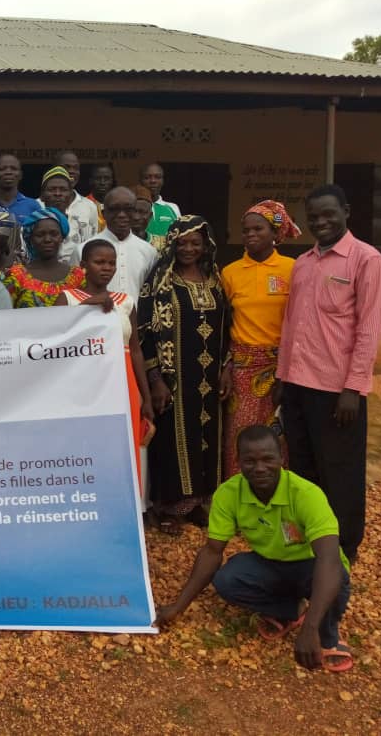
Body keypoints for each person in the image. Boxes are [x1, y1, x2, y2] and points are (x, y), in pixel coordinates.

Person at [155, 425, 354, 674]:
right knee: (228, 579)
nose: (259, 468)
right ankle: (292, 611)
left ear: (283, 458)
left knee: (336, 577)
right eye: (249, 461)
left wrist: (310, 629)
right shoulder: (228, 493)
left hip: (311, 566)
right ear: (238, 461)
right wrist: (178, 606)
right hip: (269, 563)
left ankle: (328, 635)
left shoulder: (306, 494)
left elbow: (329, 560)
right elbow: (212, 552)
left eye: (268, 459)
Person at [276, 184, 381, 563]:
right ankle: (311, 537)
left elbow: (369, 329)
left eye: (328, 214)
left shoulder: (366, 259)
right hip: (296, 384)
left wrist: (353, 388)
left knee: (340, 469)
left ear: (346, 211)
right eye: (314, 217)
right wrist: (282, 378)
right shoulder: (304, 263)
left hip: (336, 390)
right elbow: (292, 324)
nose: (321, 222)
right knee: (303, 466)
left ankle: (344, 547)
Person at [139, 215, 228, 533]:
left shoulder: (214, 279)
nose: (189, 248)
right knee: (172, 441)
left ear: (206, 246)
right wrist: (155, 379)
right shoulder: (160, 282)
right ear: (172, 245)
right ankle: (169, 507)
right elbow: (144, 332)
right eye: (182, 243)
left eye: (196, 242)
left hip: (209, 378)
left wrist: (227, 367)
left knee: (205, 439)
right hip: (174, 380)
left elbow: (227, 329)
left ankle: (198, 504)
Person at [55, 238, 154, 483]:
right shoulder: (67, 299)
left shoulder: (126, 302)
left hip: (123, 384)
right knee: (84, 443)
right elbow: (56, 340)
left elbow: (136, 351)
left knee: (123, 444)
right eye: (100, 262)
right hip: (82, 385)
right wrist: (88, 305)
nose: (106, 267)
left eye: (111, 263)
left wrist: (146, 397)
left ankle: (125, 503)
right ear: (84, 265)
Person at [219, 199, 301, 480]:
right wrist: (227, 366)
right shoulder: (230, 273)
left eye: (258, 229)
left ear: (275, 233)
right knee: (238, 437)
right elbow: (224, 324)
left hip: (281, 367)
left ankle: (277, 504)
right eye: (246, 230)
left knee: (277, 438)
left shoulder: (292, 270)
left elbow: (299, 322)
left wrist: (285, 374)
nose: (251, 235)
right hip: (242, 369)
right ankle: (238, 503)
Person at [77, 186, 158, 307]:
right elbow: (75, 292)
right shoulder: (82, 249)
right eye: (114, 209)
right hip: (94, 321)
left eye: (128, 209)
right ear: (104, 213)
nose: (121, 215)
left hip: (134, 323)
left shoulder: (149, 251)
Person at [3, 208, 85, 308]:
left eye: (54, 234)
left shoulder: (78, 276)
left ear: (62, 237)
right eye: (40, 235)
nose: (47, 239)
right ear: (30, 239)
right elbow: (4, 314)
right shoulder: (16, 276)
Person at [55, 151, 98, 250]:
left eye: (76, 168)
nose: (72, 171)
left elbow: (93, 243)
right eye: (66, 167)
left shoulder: (90, 206)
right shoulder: (39, 205)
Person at [38, 165, 79, 263]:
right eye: (52, 189)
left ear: (70, 196)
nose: (57, 194)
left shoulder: (80, 225)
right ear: (42, 196)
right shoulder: (32, 225)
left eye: (63, 190)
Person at [141, 162, 181, 250]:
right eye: (147, 177)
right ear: (141, 181)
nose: (153, 181)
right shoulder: (135, 208)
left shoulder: (173, 208)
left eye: (157, 177)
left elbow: (178, 238)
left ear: (163, 180)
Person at [0, 153, 38, 222]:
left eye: (14, 169)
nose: (8, 172)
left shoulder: (33, 205)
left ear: (20, 175)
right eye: (2, 169)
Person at [87, 162, 116, 232]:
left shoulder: (118, 205)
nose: (102, 182)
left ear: (112, 181)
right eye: (98, 178)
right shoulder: (83, 204)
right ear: (91, 181)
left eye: (106, 179)